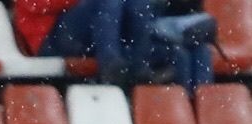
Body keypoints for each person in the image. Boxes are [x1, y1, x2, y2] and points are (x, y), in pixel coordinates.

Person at [16, 0, 216, 91]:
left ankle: (197, 118)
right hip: (51, 39)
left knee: (191, 51)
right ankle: (113, 64)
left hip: (100, 38)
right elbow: (35, 4)